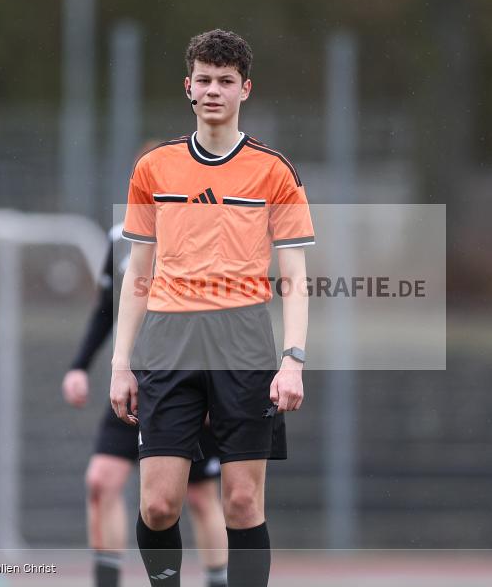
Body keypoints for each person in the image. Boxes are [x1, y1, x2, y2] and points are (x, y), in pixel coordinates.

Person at [109, 29, 313, 587]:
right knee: (158, 505)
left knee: (242, 503)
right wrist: (120, 363)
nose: (214, 90)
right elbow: (137, 274)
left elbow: (294, 274)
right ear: (188, 88)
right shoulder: (154, 167)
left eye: (226, 81)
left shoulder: (275, 171)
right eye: (204, 80)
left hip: (243, 340)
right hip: (168, 342)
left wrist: (293, 358)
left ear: (245, 89)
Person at [62, 223, 228, 587]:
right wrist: (80, 366)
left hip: (186, 385)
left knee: (200, 497)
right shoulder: (120, 237)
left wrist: (214, 386)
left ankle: (218, 580)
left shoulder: (200, 229)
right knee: (101, 481)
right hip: (134, 384)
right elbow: (107, 308)